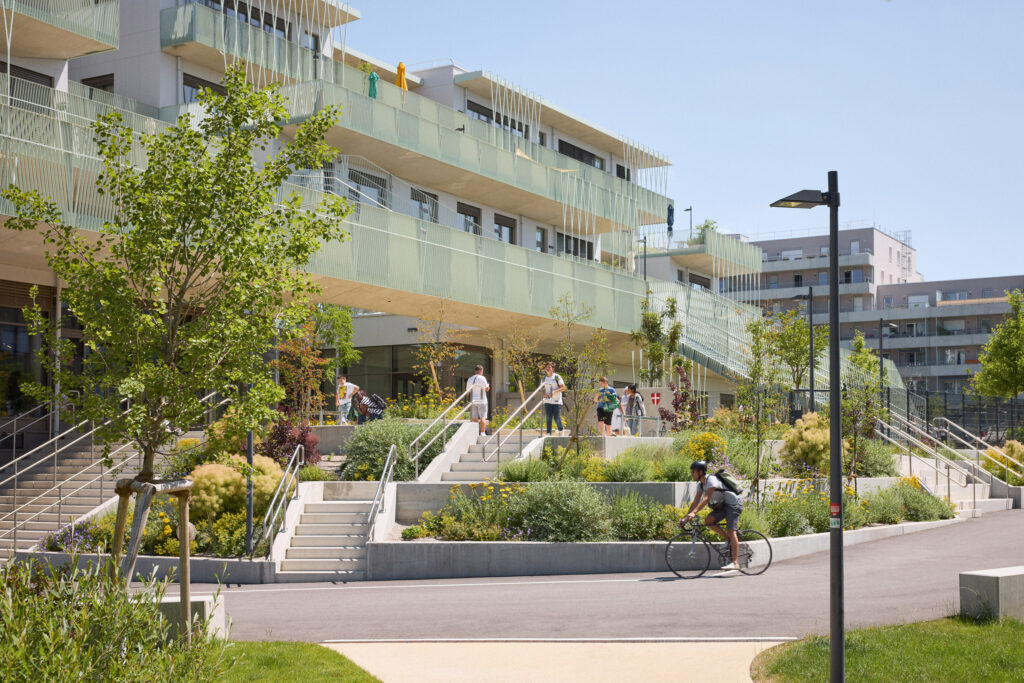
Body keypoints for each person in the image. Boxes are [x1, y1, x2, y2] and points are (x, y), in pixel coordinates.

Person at [683, 460, 743, 570]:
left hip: (733, 505)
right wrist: (686, 517)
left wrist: (694, 513)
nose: (692, 474)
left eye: (694, 472)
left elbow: (706, 499)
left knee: (731, 530)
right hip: (723, 505)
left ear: (701, 472)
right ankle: (728, 540)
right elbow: (695, 502)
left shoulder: (711, 480)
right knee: (709, 520)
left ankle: (735, 562)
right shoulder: (700, 485)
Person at [541, 362, 566, 435]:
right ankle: (548, 433)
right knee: (548, 417)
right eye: (547, 367)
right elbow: (542, 389)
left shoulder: (557, 377)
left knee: (556, 417)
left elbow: (563, 388)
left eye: (549, 367)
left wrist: (554, 391)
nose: (547, 368)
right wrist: (544, 393)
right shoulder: (543, 378)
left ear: (553, 369)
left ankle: (561, 430)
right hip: (547, 401)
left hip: (556, 401)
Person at [466, 365, 490, 435]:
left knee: (474, 418)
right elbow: (486, 389)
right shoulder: (482, 378)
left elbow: (468, 391)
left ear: (475, 371)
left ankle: (475, 433)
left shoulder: (470, 379)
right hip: (482, 400)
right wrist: (488, 386)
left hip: (473, 400)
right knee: (483, 417)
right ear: (481, 371)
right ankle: (482, 433)